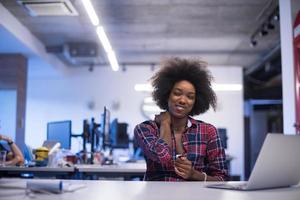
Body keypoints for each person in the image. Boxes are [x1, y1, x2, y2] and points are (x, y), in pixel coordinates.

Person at [134, 57, 228, 181]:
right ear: (167, 94)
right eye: (177, 93)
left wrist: (195, 174)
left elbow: (222, 178)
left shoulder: (208, 131)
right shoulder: (145, 129)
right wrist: (165, 123)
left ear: (196, 101)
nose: (183, 100)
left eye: (190, 97)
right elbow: (162, 156)